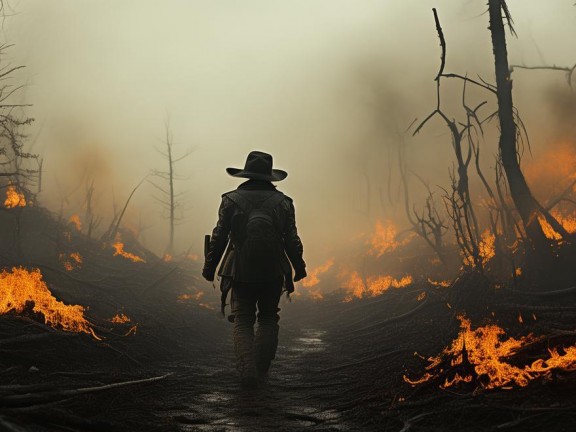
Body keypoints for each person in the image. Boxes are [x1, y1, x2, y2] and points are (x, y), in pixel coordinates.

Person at [202, 151, 307, 388]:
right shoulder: (284, 203)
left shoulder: (230, 200)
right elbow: (292, 240)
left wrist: (210, 268)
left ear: (246, 173)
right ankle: (261, 368)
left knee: (243, 319)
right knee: (269, 317)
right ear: (270, 177)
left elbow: (219, 237)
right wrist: (299, 268)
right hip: (273, 271)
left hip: (240, 270)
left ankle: (247, 370)